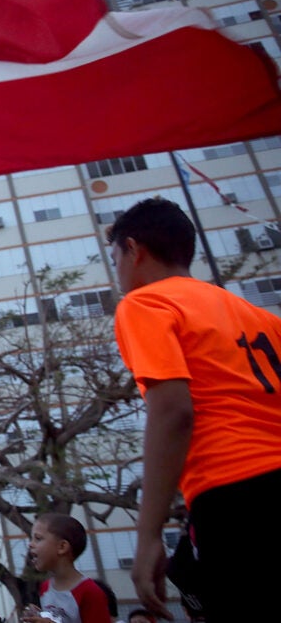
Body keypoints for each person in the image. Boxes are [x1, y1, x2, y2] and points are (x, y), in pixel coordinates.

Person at [108, 198, 281, 621]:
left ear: (134, 250)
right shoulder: (262, 317)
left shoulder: (145, 304)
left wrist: (148, 535)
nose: (116, 273)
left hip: (234, 494)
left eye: (115, 259)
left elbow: (173, 411)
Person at [23, 513, 110, 623]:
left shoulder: (90, 592)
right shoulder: (45, 587)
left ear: (62, 547)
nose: (30, 544)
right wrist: (39, 616)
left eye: (38, 539)